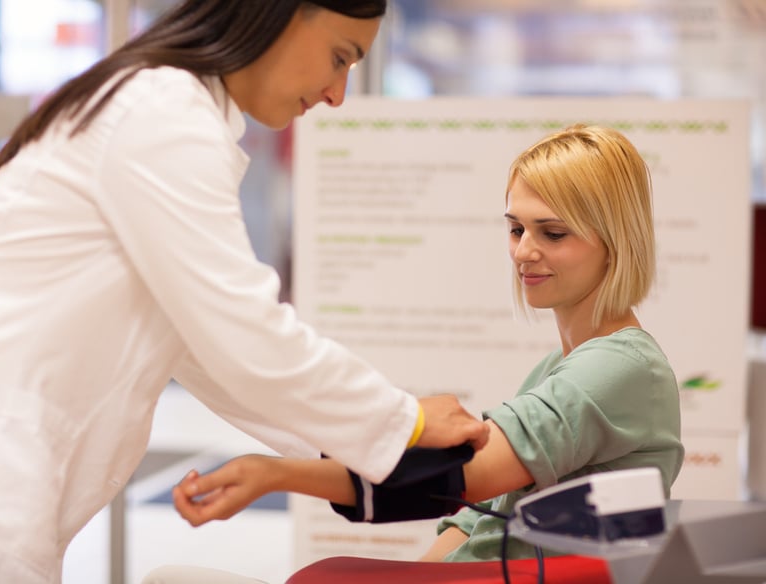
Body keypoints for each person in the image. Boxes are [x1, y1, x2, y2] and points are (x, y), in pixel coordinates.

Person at [0, 1, 489, 582]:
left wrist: (352, 448)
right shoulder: (162, 110)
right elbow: (240, 329)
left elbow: (203, 343)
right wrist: (404, 421)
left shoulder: (164, 106)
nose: (337, 93)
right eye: (339, 58)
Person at [169, 124, 685, 565]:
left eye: (553, 233)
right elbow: (474, 522)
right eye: (515, 228)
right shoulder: (566, 364)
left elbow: (461, 479)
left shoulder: (619, 369)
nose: (524, 251)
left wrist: (275, 474)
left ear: (616, 239)